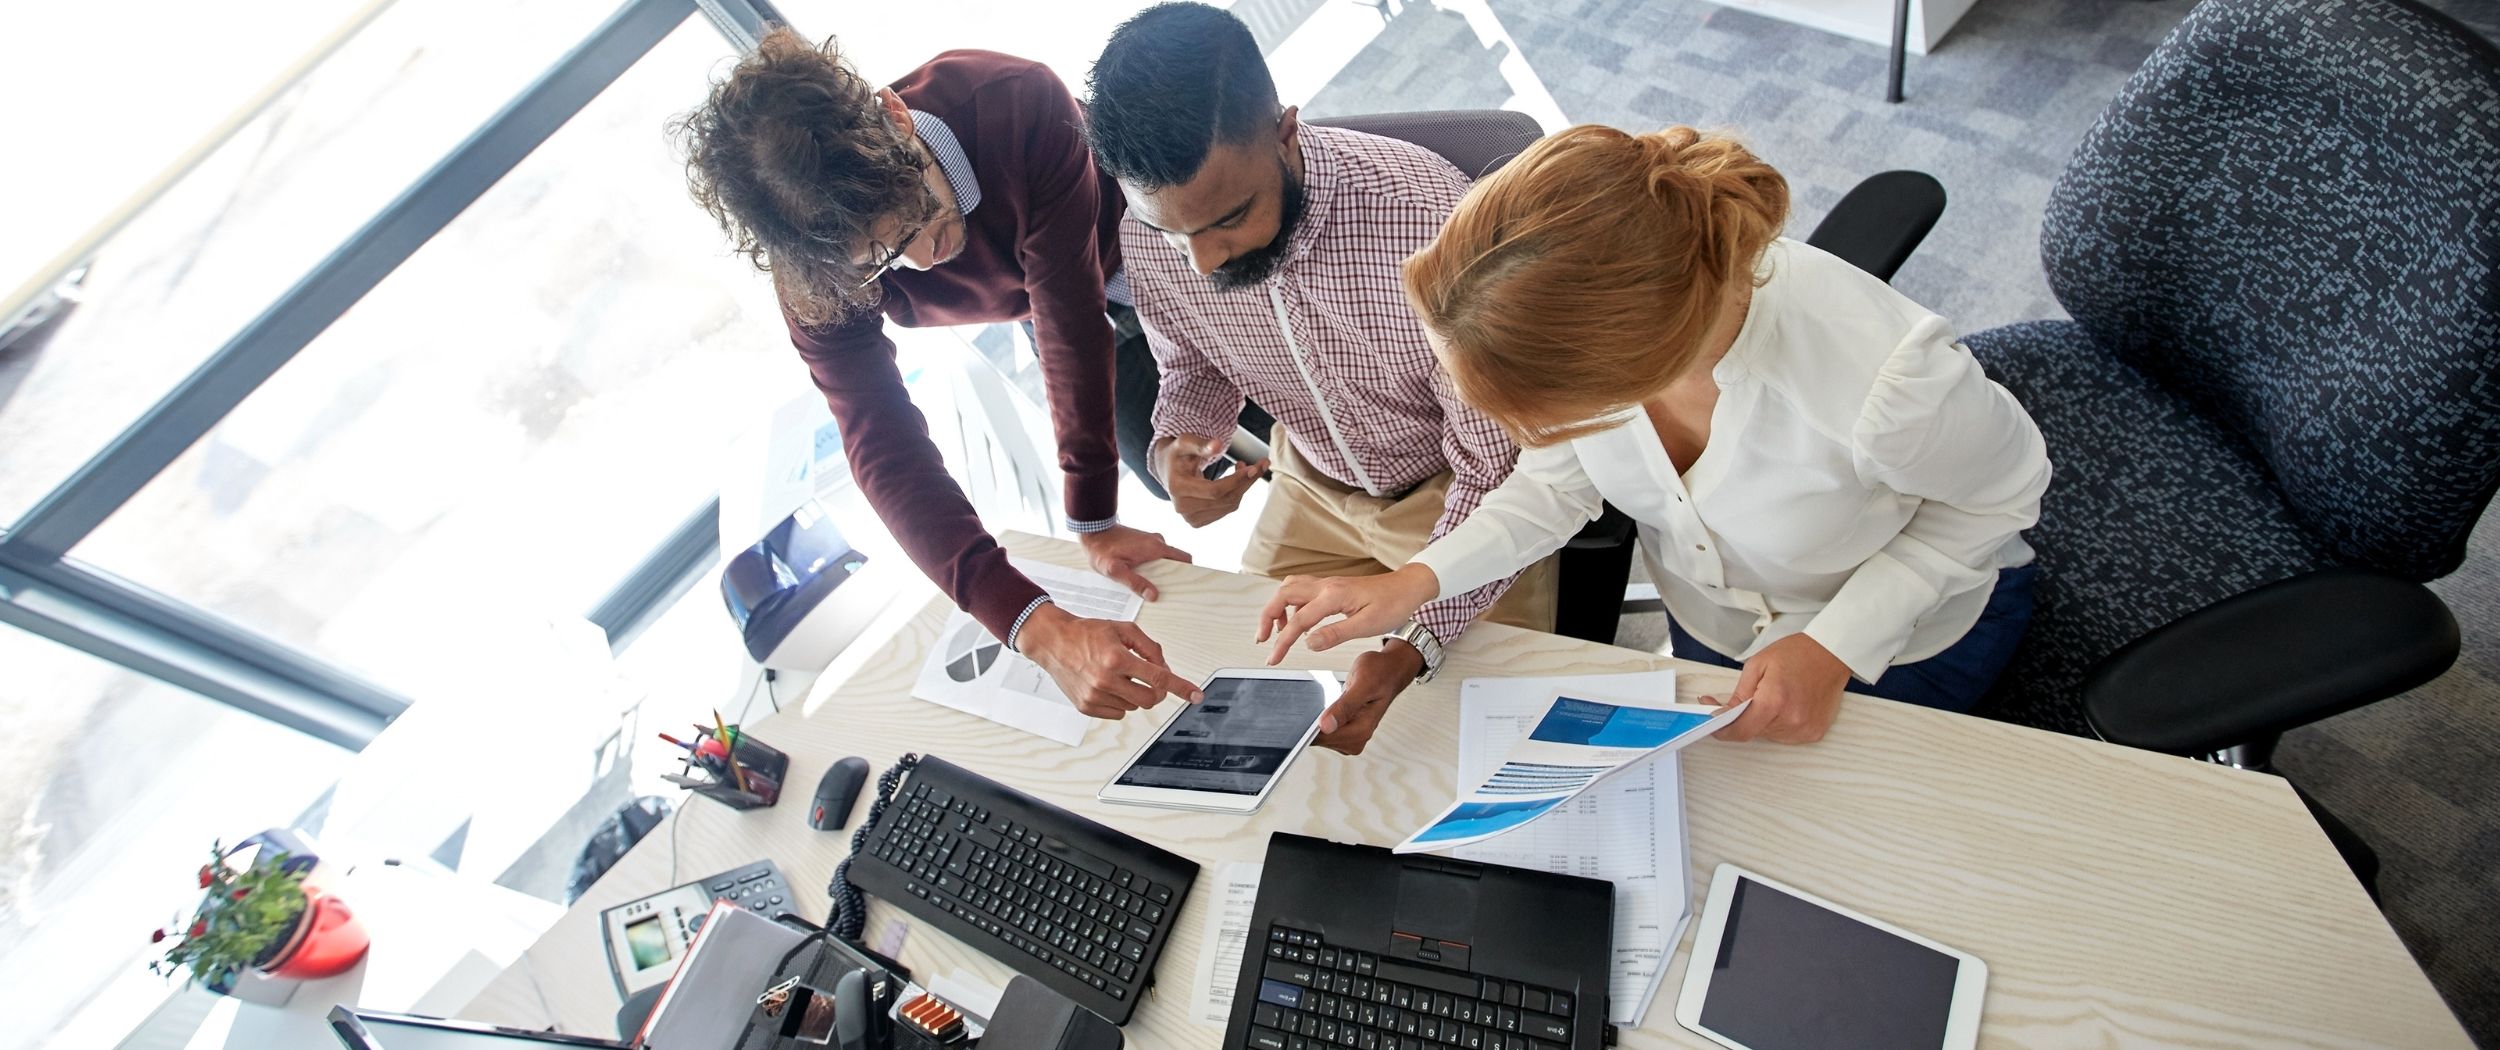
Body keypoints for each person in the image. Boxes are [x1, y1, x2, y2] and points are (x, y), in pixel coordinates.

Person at [1258, 125, 2052, 744]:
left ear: (1639, 366)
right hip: (1715, 623)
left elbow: (2003, 499)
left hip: (1912, 636)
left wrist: (1836, 645)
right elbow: (1555, 485)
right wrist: (1416, 582)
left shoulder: (1889, 383)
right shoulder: (1604, 323)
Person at [674, 30, 1200, 718]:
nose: (926, 255)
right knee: (1171, 472)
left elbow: (1068, 315)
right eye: (883, 260)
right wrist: (1033, 626)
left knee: (1285, 401)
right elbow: (882, 448)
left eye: (918, 211)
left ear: (895, 117)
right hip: (1048, 307)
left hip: (1146, 239)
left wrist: (1092, 516)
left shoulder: (1012, 103)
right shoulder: (824, 272)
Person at [1085, 3, 1558, 755]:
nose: (1203, 262)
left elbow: (1500, 473)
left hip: (1461, 488)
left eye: (1229, 219)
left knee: (1468, 743)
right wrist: (1176, 443)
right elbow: (1190, 361)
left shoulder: (1428, 222)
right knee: (1238, 718)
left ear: (1284, 133)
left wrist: (1414, 645)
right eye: (1175, 232)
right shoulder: (1148, 231)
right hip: (1311, 485)